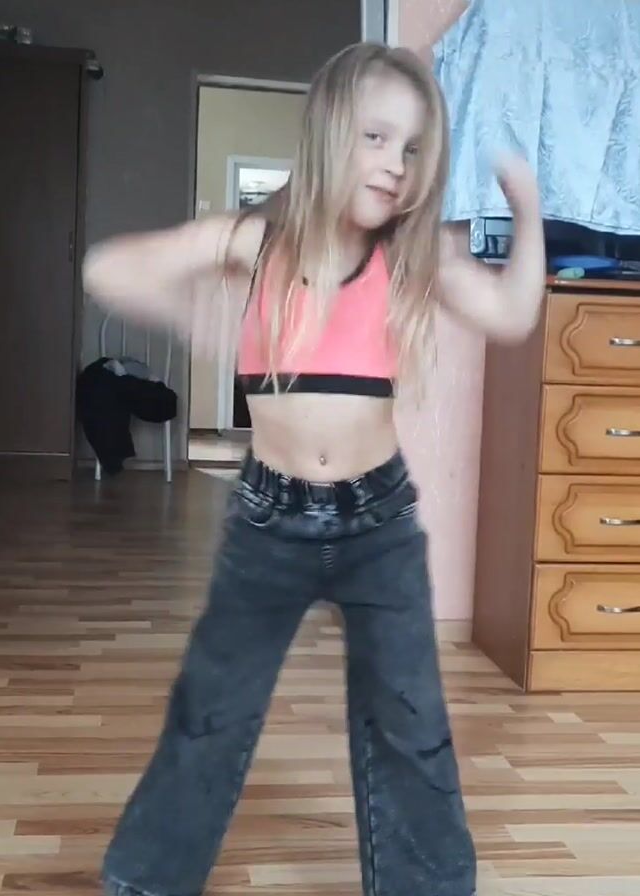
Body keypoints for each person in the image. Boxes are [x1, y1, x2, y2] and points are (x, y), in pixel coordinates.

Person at [83, 42, 545, 896]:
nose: (396, 164)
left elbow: (514, 315)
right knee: (211, 710)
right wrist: (186, 300)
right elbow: (105, 270)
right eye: (376, 137)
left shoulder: (417, 257)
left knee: (409, 720)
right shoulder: (257, 242)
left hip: (379, 523)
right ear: (330, 132)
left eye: (413, 148)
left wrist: (528, 210)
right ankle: (147, 880)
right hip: (268, 523)